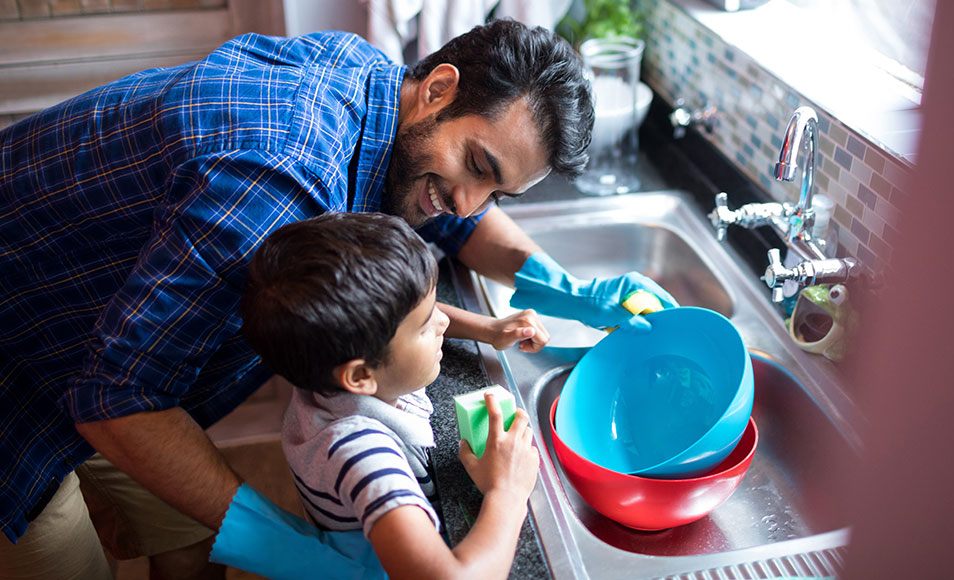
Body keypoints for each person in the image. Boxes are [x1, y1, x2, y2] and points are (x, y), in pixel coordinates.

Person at [0, 18, 675, 579]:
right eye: (478, 166)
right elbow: (115, 398)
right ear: (439, 88)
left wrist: (564, 288)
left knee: (189, 537)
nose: (471, 204)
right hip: (25, 377)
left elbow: (451, 212)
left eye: (497, 191)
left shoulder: (377, 86)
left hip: (114, 344)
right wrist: (290, 547)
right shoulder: (277, 183)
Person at [237, 211, 538, 579]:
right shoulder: (361, 452)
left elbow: (404, 314)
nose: (442, 322)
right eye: (426, 327)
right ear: (360, 375)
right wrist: (507, 491)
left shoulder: (323, 364)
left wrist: (488, 329)